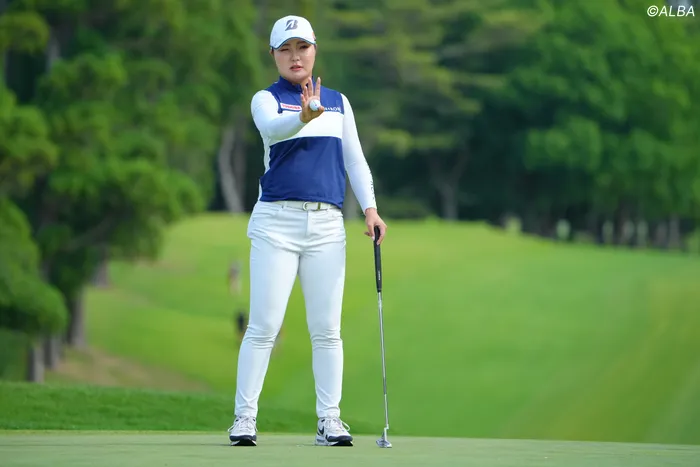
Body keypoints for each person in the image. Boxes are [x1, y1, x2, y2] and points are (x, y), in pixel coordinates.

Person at [227, 15, 387, 447]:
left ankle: (329, 420)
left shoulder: (338, 102)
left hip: (327, 227)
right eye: (286, 49)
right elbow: (272, 129)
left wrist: (370, 210)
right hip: (276, 223)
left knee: (327, 329)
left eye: (302, 47)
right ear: (273, 55)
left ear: (314, 50)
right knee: (264, 325)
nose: (295, 57)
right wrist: (302, 115)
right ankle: (244, 418)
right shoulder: (266, 100)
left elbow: (354, 160)